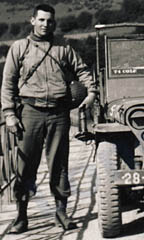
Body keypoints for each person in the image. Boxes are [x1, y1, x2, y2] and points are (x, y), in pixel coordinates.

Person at [1, 4, 97, 233]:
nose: (46, 24)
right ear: (32, 20)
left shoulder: (63, 47)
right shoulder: (19, 48)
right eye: (41, 20)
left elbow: (82, 70)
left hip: (58, 113)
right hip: (29, 112)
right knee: (25, 166)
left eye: (50, 21)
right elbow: (8, 83)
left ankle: (61, 213)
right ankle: (21, 216)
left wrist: (91, 92)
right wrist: (9, 114)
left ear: (54, 23)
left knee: (59, 164)